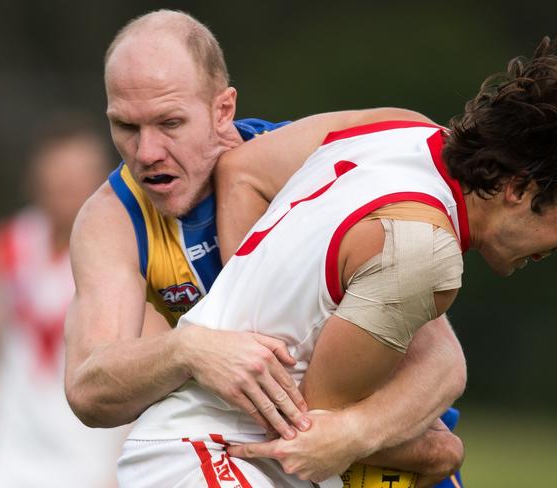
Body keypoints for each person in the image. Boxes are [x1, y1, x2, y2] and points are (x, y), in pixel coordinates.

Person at [115, 28, 557, 488]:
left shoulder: (399, 131)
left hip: (190, 449)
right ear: (517, 188)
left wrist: (257, 302)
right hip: (206, 460)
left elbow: (242, 169)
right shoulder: (422, 255)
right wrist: (437, 453)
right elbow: (315, 429)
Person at [64, 8, 466, 487]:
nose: (146, 153)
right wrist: (187, 351)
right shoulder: (114, 217)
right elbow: (88, 387)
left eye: (169, 123)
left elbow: (443, 362)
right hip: (265, 456)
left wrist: (359, 435)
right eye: (126, 127)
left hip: (387, 459)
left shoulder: (309, 168)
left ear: (222, 110)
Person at [0, 115, 128, 487]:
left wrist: (123, 462)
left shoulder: (125, 253)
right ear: (36, 178)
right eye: (57, 175)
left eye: (78, 176)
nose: (67, 187)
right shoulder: (5, 246)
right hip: (7, 453)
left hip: (89, 457)